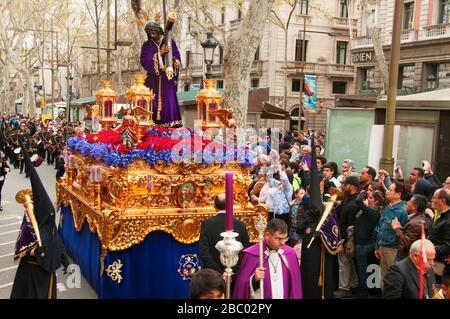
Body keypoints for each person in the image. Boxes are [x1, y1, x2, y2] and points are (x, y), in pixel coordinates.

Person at [10, 140, 69, 299]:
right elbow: (20, 249)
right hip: (32, 275)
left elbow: (55, 237)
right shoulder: (28, 226)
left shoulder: (47, 224)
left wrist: (63, 257)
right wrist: (34, 250)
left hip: (47, 273)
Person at [233, 219, 302, 299]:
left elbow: (296, 286)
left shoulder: (290, 254)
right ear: (267, 235)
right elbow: (241, 286)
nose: (282, 242)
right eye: (278, 239)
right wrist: (254, 279)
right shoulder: (252, 254)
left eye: (285, 239)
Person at [140, 20, 182, 128]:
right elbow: (144, 61)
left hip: (166, 80)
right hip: (152, 81)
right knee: (152, 105)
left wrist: (176, 63)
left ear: (159, 31)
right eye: (149, 33)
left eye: (153, 32)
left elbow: (176, 56)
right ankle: (152, 129)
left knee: (168, 103)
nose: (151, 34)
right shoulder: (146, 45)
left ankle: (169, 128)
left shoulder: (169, 41)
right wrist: (160, 53)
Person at [199, 194, 250, 277]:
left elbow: (204, 252)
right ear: (231, 205)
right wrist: (233, 272)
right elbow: (245, 252)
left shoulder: (207, 224)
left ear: (214, 205)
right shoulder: (241, 225)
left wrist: (219, 273)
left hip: (213, 276)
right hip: (235, 275)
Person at [374, 181, 409, 290]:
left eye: (390, 190)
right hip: (382, 246)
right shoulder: (387, 208)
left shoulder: (403, 211)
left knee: (393, 277)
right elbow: (380, 227)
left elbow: (403, 232)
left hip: (393, 249)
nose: (388, 192)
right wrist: (377, 246)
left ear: (398, 194)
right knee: (383, 277)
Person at [391, 194, 432, 260]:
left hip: (407, 258)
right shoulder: (417, 219)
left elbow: (406, 243)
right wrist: (401, 228)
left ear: (414, 207)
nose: (407, 202)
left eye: (409, 201)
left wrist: (397, 229)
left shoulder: (416, 223)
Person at [429, 188, 450, 277]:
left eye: (434, 198)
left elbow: (447, 247)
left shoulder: (448, 220)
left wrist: (428, 248)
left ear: (442, 200)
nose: (432, 200)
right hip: (434, 262)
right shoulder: (440, 214)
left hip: (441, 266)